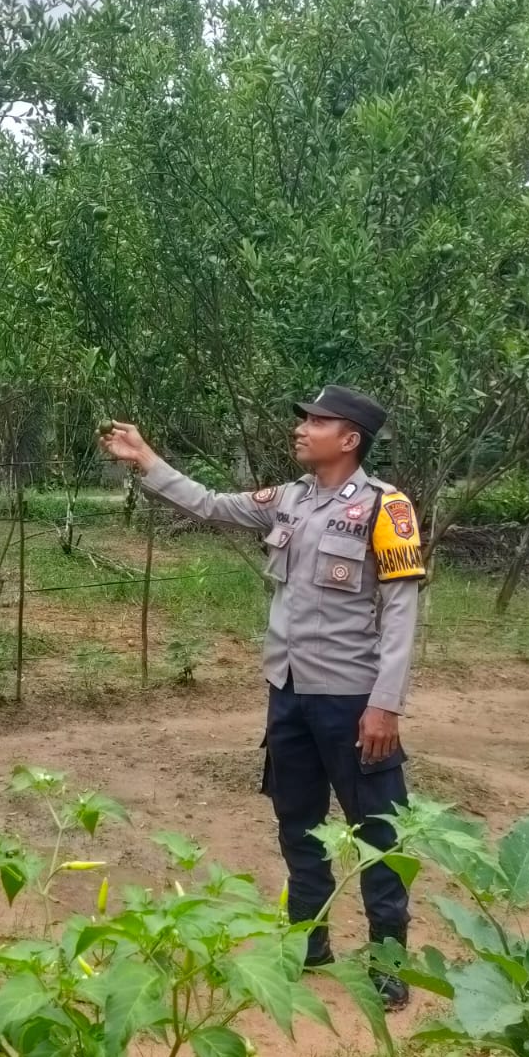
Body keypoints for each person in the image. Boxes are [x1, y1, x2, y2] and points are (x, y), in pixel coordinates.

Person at [99, 385, 423, 1010]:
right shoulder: (289, 501)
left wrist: (386, 704)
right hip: (289, 694)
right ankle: (309, 943)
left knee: (379, 831)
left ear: (349, 439)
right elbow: (210, 504)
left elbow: (402, 613)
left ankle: (388, 962)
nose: (301, 429)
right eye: (303, 420)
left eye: (316, 422)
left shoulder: (387, 508)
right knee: (298, 823)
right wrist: (146, 459)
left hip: (354, 702)